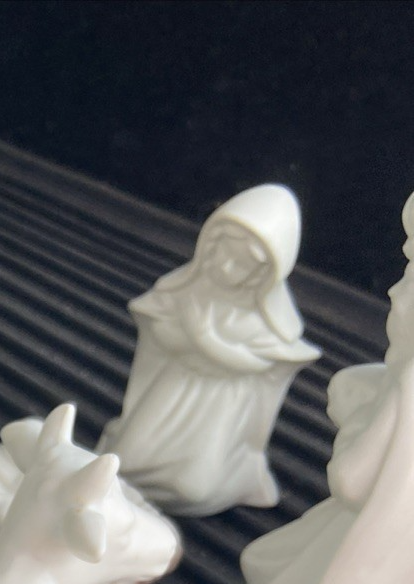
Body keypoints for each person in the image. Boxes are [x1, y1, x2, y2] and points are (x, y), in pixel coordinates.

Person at [220, 194, 414, 584]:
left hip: (369, 559)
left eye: (410, 279)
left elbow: (353, 481)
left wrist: (354, 419)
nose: (395, 293)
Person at [98, 184, 320, 517]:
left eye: (241, 264)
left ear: (264, 272)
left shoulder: (263, 319)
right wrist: (185, 340)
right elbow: (158, 327)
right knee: (127, 461)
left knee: (196, 488)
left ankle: (222, 476)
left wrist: (203, 338)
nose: (226, 268)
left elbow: (256, 365)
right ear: (207, 246)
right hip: (172, 389)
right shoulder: (188, 290)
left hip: (219, 406)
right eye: (221, 254)